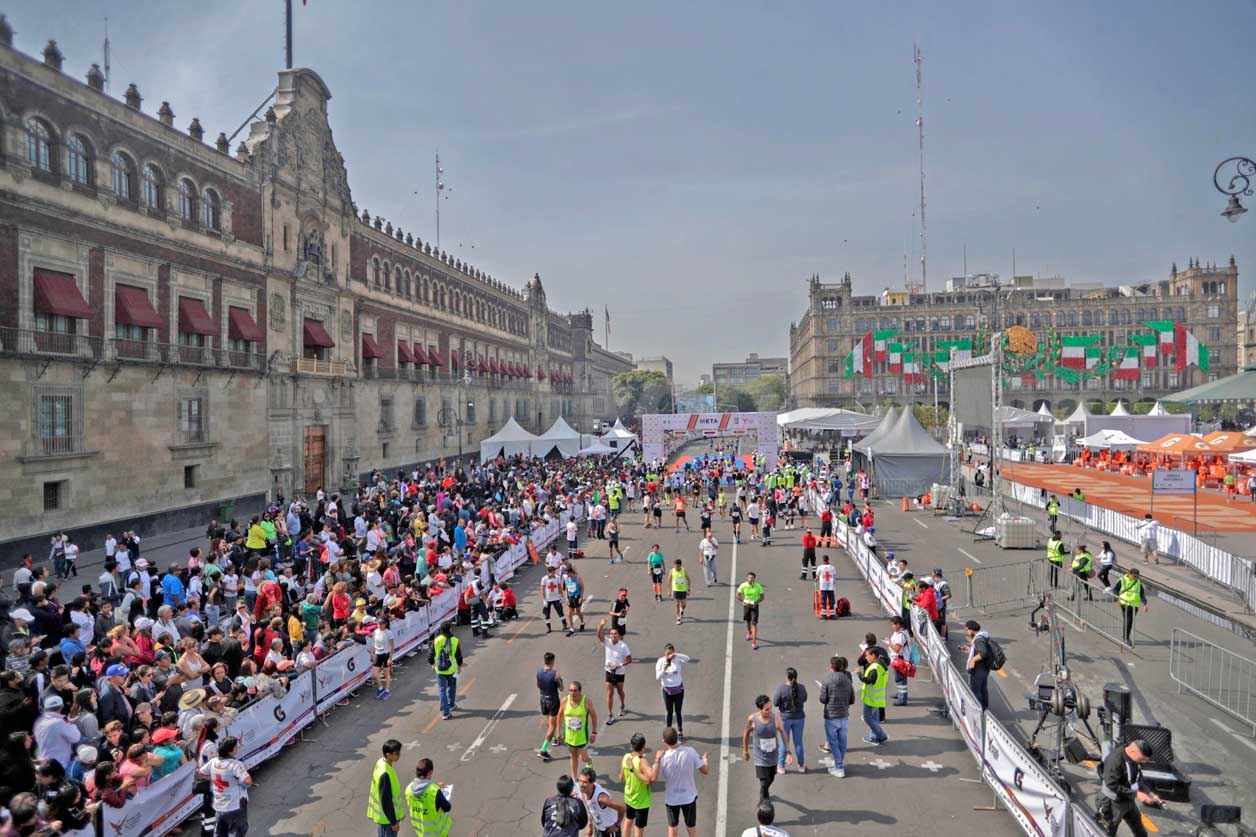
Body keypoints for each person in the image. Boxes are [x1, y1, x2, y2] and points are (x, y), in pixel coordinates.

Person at [1098, 739, 1161, 837]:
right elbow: (1111, 784)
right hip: (1113, 803)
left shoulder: (1134, 759)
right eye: (1141, 759)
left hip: (1128, 800)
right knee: (1108, 832)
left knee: (1140, 830)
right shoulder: (1115, 760)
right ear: (1132, 751)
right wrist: (1136, 794)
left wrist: (1149, 793)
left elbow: (1137, 780)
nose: (1143, 762)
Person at [653, 727, 708, 837]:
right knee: (691, 828)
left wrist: (657, 760)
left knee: (672, 829)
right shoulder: (690, 751)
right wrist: (705, 760)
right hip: (689, 797)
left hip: (672, 799)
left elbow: (653, 777)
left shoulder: (663, 758)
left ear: (664, 741)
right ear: (677, 738)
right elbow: (705, 771)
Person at [742, 694, 790, 802]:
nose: (769, 711)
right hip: (760, 758)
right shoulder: (752, 719)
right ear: (759, 709)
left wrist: (788, 751)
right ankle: (763, 802)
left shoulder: (775, 718)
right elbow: (746, 733)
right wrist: (745, 751)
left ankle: (764, 792)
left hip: (773, 756)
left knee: (771, 778)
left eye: (770, 708)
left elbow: (783, 732)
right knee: (764, 782)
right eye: (766, 709)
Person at [817, 655, 854, 778]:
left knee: (833, 742)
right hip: (844, 715)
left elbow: (823, 699)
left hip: (831, 716)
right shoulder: (848, 680)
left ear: (831, 667)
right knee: (842, 741)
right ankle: (839, 762)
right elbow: (852, 699)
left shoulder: (827, 680)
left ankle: (839, 766)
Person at [209, 736, 252, 837]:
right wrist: (239, 783)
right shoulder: (236, 765)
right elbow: (248, 782)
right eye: (236, 747)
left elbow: (202, 773)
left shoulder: (214, 762)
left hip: (220, 801)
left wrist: (215, 780)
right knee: (239, 828)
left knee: (221, 829)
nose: (237, 748)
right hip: (236, 801)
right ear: (231, 751)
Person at [558, 681, 598, 781]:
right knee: (573, 756)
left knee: (583, 758)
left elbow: (594, 716)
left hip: (582, 737)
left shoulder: (586, 701)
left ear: (580, 691)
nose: (572, 693)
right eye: (570, 690)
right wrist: (558, 732)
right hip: (569, 736)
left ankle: (589, 761)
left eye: (575, 691)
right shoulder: (565, 701)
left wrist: (594, 732)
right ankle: (574, 779)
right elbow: (559, 716)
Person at [403, 757, 452, 837]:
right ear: (430, 772)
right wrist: (435, 787)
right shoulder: (434, 791)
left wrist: (435, 785)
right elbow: (447, 808)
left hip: (421, 832)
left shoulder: (408, 789)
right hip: (437, 833)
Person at [619, 733, 656, 837]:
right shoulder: (642, 761)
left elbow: (621, 778)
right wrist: (634, 770)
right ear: (643, 746)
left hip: (629, 797)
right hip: (641, 801)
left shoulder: (626, 757)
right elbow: (648, 780)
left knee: (628, 821)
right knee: (639, 829)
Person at [597, 618, 632, 723]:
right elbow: (599, 635)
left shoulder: (623, 646)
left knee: (620, 691)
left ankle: (622, 705)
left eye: (615, 634)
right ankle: (610, 714)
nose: (613, 635)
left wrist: (619, 665)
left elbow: (629, 659)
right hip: (609, 671)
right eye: (611, 634)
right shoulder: (607, 642)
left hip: (620, 672)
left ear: (618, 635)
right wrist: (601, 625)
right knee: (609, 693)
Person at [773, 668, 807, 774]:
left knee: (784, 743)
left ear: (787, 677)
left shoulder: (781, 688)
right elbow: (805, 699)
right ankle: (801, 766)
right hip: (799, 718)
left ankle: (781, 766)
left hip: (784, 719)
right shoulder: (801, 688)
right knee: (798, 743)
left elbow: (775, 703)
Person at [578, 765, 627, 837]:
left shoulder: (602, 798)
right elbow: (591, 808)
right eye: (580, 780)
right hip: (599, 827)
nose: (581, 784)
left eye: (585, 782)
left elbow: (622, 808)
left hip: (609, 830)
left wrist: (617, 825)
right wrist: (590, 826)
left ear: (592, 783)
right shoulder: (586, 791)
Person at [655, 643, 690, 741]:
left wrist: (677, 655)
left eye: (670, 653)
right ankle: (668, 733)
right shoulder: (661, 661)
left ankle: (680, 731)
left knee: (678, 711)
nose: (669, 656)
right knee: (669, 712)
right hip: (667, 690)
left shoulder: (677, 659)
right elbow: (658, 677)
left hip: (678, 689)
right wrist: (664, 669)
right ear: (664, 653)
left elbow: (688, 659)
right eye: (667, 653)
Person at [429, 622, 462, 720]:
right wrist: (459, 666)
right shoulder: (455, 640)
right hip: (452, 669)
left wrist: (432, 664)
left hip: (440, 670)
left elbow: (431, 654)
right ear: (450, 629)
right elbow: (458, 655)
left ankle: (445, 713)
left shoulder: (437, 640)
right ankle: (451, 705)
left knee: (442, 690)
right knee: (452, 687)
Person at [858, 647, 889, 744]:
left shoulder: (875, 668)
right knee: (875, 718)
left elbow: (868, 680)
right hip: (878, 697)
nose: (866, 658)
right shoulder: (882, 664)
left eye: (867, 656)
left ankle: (881, 735)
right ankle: (874, 736)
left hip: (871, 698)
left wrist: (859, 674)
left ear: (873, 655)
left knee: (867, 718)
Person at [537, 651, 564, 761]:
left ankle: (553, 739)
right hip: (552, 699)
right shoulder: (555, 674)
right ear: (552, 661)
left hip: (543, 698)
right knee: (553, 726)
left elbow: (538, 685)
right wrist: (560, 679)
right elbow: (562, 688)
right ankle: (543, 750)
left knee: (549, 720)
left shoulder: (538, 672)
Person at [1116, 567, 1148, 647]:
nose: (1136, 578)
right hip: (1125, 603)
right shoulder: (1122, 580)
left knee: (1128, 621)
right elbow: (1115, 590)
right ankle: (1126, 638)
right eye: (1134, 576)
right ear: (1129, 574)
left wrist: (1145, 604)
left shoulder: (1138, 583)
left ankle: (1125, 636)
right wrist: (1117, 599)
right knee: (1128, 620)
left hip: (1134, 605)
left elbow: (1142, 594)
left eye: (1137, 576)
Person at [964, 620, 992, 711]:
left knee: (976, 690)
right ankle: (985, 706)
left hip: (978, 668)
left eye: (967, 630)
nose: (967, 632)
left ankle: (979, 710)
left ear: (971, 629)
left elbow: (983, 653)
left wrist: (973, 659)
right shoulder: (984, 637)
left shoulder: (978, 640)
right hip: (985, 668)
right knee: (983, 687)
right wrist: (970, 650)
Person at [886, 616, 911, 706]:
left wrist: (889, 643)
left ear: (898, 625)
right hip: (897, 659)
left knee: (901, 680)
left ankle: (902, 699)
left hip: (901, 659)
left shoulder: (901, 635)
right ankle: (900, 694)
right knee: (898, 678)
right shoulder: (899, 633)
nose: (892, 626)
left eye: (893, 624)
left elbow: (897, 648)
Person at [736, 572, 765, 650]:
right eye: (749, 577)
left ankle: (754, 642)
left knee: (754, 624)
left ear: (754, 579)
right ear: (747, 578)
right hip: (746, 606)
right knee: (748, 622)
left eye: (752, 578)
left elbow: (762, 597)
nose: (750, 579)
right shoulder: (743, 585)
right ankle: (749, 632)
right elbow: (737, 595)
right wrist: (744, 601)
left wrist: (756, 602)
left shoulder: (758, 586)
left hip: (755, 607)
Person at [371, 614, 395, 700]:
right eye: (378, 624)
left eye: (381, 624)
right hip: (377, 654)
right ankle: (380, 689)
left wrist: (390, 658)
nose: (379, 625)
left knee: (386, 674)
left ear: (385, 624)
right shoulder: (375, 632)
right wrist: (372, 654)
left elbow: (392, 647)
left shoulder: (389, 633)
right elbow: (373, 644)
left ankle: (387, 691)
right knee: (375, 674)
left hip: (386, 655)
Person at [541, 565, 570, 634]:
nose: (553, 573)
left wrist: (561, 596)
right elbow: (542, 590)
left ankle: (564, 624)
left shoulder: (557, 578)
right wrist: (544, 600)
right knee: (547, 614)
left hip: (556, 598)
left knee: (560, 612)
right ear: (548, 572)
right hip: (548, 599)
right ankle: (549, 628)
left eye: (554, 572)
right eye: (552, 572)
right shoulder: (544, 579)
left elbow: (559, 587)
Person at [564, 565, 586, 636]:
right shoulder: (566, 579)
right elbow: (566, 589)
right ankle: (571, 629)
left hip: (577, 597)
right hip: (570, 597)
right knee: (570, 613)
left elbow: (582, 587)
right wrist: (566, 598)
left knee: (578, 612)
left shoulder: (578, 578)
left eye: (567, 573)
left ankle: (582, 622)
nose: (566, 574)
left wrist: (581, 597)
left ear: (570, 572)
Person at [668, 560, 690, 625]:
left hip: (683, 590)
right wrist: (669, 590)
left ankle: (681, 609)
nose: (676, 568)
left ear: (680, 566)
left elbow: (688, 579)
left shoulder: (684, 570)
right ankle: (678, 618)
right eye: (675, 566)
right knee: (677, 604)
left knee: (684, 605)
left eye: (678, 566)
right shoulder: (672, 571)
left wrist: (688, 589)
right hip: (675, 590)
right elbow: (668, 581)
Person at [816, 554, 838, 619]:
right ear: (828, 560)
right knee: (831, 601)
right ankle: (832, 615)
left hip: (823, 587)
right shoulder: (832, 567)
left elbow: (817, 577)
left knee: (823, 601)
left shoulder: (820, 567)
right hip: (831, 587)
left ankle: (824, 615)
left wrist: (815, 580)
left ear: (823, 560)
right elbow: (834, 576)